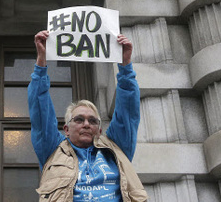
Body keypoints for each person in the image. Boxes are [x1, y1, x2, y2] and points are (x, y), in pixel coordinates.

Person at [28, 30, 147, 202]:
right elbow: (39, 110)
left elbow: (128, 111)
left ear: (99, 129)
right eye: (79, 119)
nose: (86, 124)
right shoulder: (52, 150)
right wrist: (41, 62)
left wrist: (125, 65)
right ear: (66, 129)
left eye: (92, 121)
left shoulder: (116, 147)